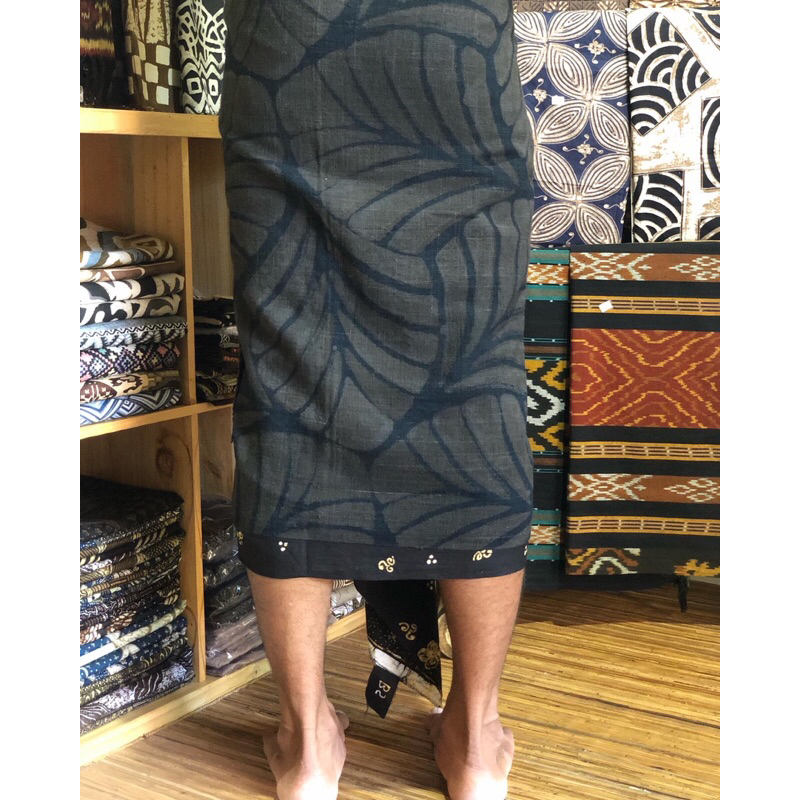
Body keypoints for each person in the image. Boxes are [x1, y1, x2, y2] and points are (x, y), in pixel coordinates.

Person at [218, 2, 534, 799]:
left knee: (291, 368)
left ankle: (307, 750)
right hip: (453, 47)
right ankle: (474, 744)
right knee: (475, 370)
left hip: (292, 40)